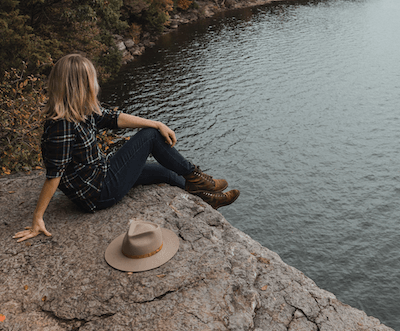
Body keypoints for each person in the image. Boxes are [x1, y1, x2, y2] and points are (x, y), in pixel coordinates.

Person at [14, 54, 239, 243]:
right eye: (92, 79)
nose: (96, 83)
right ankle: (197, 177)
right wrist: (37, 218)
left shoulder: (80, 110)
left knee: (166, 173)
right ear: (80, 86)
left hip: (101, 174)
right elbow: (55, 174)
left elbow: (113, 118)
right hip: (99, 192)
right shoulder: (61, 125)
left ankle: (206, 198)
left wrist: (157, 123)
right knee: (150, 138)